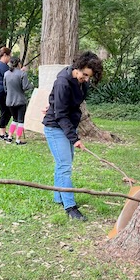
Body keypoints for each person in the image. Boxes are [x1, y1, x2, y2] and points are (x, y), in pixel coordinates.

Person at [42, 51, 103, 221]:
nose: (86, 79)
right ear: (77, 67)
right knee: (65, 166)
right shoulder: (64, 82)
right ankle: (70, 207)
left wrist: (52, 104)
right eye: (84, 75)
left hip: (67, 125)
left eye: (89, 76)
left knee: (62, 164)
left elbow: (61, 101)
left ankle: (58, 197)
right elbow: (60, 114)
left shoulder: (80, 81)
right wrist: (74, 138)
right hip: (55, 127)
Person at [3, 56, 33, 145]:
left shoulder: (6, 74)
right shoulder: (22, 74)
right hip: (20, 101)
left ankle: (9, 137)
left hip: (9, 101)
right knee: (21, 121)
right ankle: (18, 139)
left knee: (14, 119)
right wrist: (31, 85)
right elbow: (25, 87)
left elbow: (5, 88)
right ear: (18, 63)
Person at [0, 46, 12, 140]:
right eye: (9, 56)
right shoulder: (2, 65)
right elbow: (10, 77)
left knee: (7, 112)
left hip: (0, 90)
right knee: (5, 111)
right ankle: (2, 133)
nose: (10, 59)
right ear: (4, 55)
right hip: (1, 91)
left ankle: (3, 131)